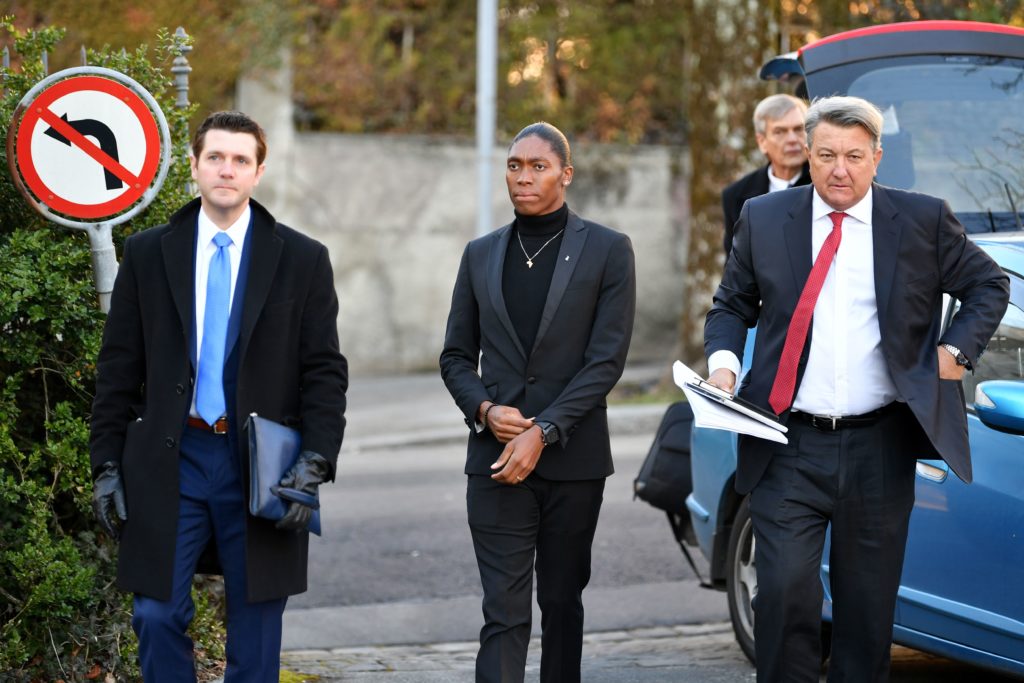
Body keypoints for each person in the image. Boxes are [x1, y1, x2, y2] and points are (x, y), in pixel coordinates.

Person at [704, 96, 1009, 683]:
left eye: (853, 156)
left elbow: (988, 285)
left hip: (880, 447)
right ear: (808, 158)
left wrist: (954, 353)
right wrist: (723, 366)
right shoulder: (765, 219)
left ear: (876, 158)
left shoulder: (922, 220)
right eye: (825, 156)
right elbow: (731, 304)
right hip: (786, 444)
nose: (839, 169)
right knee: (785, 600)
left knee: (867, 614)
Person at [90, 111, 347, 682]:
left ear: (258, 172)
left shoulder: (303, 260)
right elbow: (117, 372)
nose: (226, 170)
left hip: (261, 467)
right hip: (170, 459)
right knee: (155, 615)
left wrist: (315, 461)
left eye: (239, 160)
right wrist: (105, 465)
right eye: (215, 158)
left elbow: (325, 373)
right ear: (194, 165)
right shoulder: (149, 253)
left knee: (256, 633)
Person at [440, 122, 636, 683]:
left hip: (573, 464)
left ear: (565, 175)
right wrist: (484, 410)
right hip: (496, 462)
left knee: (561, 603)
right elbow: (455, 355)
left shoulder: (608, 250)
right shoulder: (480, 255)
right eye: (514, 166)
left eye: (538, 166)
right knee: (502, 611)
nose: (523, 177)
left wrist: (543, 431)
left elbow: (605, 362)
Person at [722, 93, 811, 256]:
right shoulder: (736, 196)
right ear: (762, 142)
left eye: (799, 129)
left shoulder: (826, 185)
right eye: (780, 131)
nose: (792, 139)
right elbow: (734, 265)